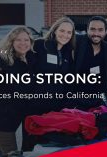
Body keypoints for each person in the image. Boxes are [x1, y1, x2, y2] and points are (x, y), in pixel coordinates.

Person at [22, 16, 76, 151]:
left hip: (55, 107)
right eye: (62, 31)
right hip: (35, 105)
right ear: (55, 30)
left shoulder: (67, 52)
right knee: (30, 143)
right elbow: (25, 70)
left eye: (69, 32)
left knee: (48, 144)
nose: (65, 35)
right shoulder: (40, 45)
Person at [0, 26, 36, 155]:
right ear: (11, 42)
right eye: (18, 40)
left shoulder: (25, 59)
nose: (23, 43)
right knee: (11, 152)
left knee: (1, 151)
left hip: (11, 118)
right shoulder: (0, 60)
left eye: (26, 40)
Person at [74, 16, 107, 109]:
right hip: (75, 98)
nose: (96, 33)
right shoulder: (77, 42)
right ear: (87, 30)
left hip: (98, 99)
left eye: (100, 30)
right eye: (92, 29)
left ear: (106, 31)